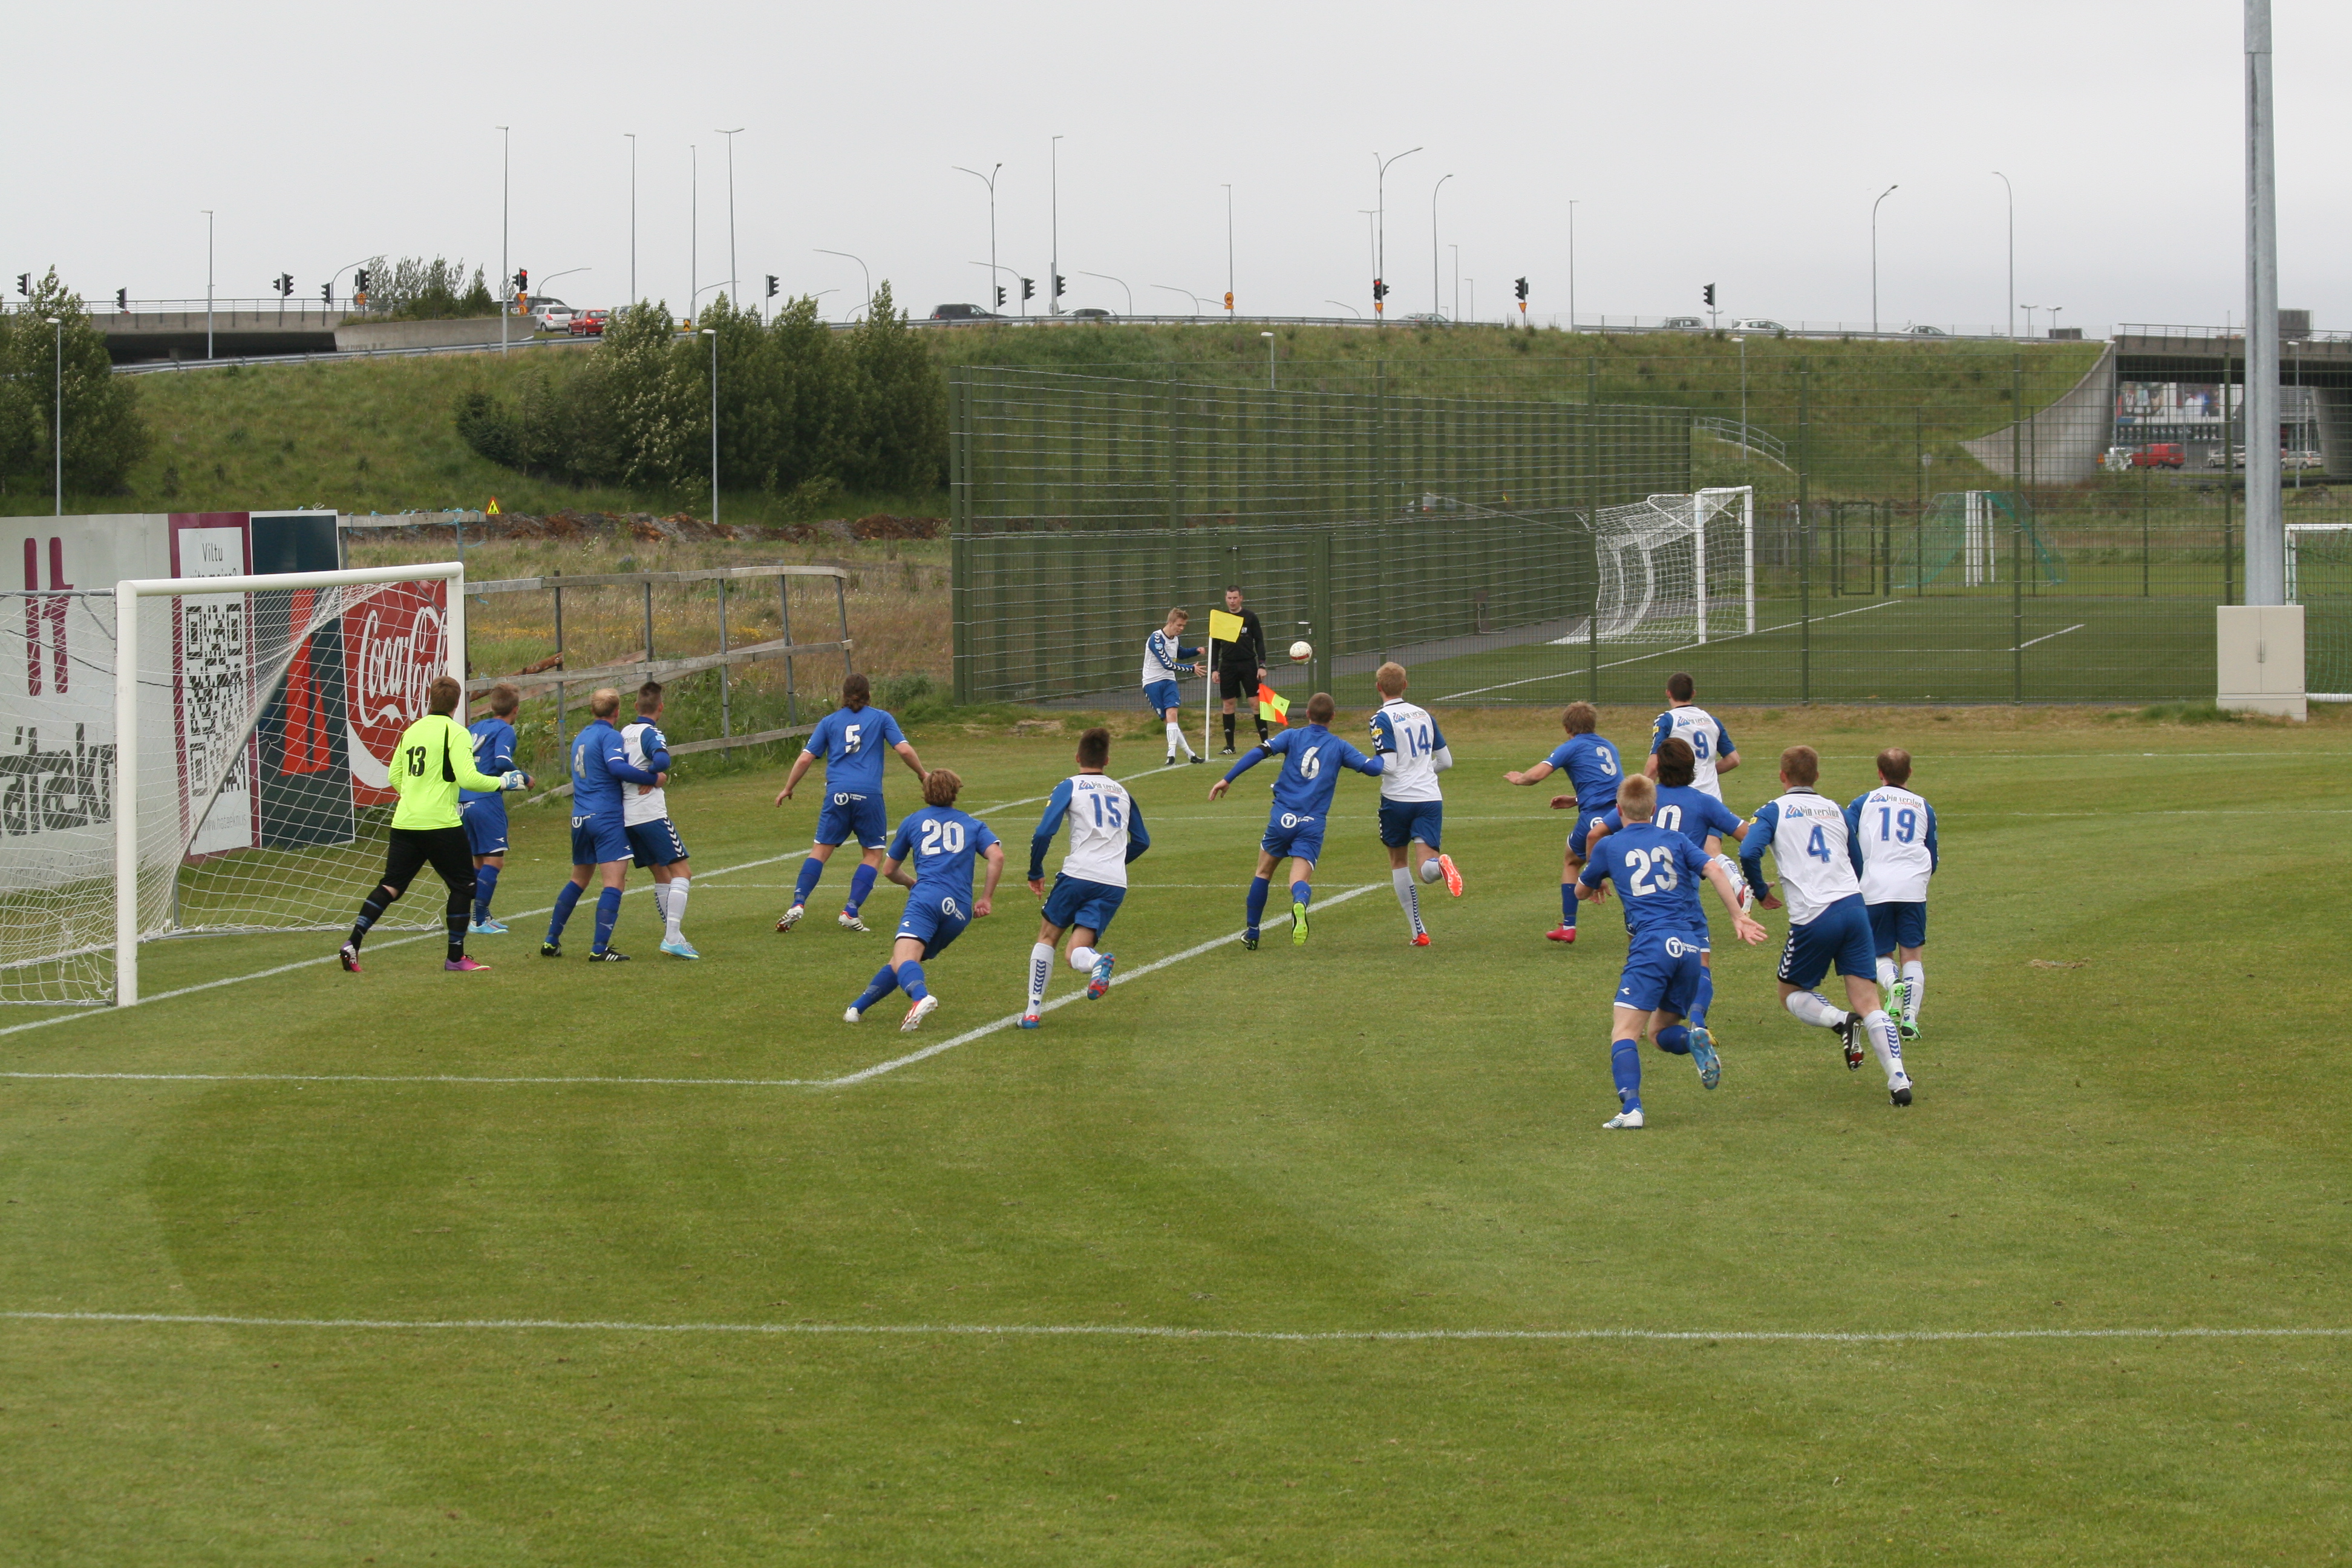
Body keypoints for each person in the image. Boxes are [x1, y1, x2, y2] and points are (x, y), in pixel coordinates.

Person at [1576, 775, 1767, 1129]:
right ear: (1654, 809)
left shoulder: (1609, 846)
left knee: (1624, 1032)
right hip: (1690, 945)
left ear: (1619, 809)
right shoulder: (1677, 840)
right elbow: (1713, 868)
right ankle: (1692, 1038)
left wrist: (1596, 880)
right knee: (1658, 1033)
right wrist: (1737, 916)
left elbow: (1580, 892)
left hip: (1651, 944)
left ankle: (1632, 1109)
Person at [1740, 745, 1915, 1108]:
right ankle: (1899, 1079)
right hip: (1854, 908)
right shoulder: (1836, 809)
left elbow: (1748, 851)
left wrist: (1761, 891)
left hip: (1814, 915)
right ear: (1817, 776)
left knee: (1790, 993)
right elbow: (1857, 860)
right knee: (1869, 1000)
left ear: (1782, 776)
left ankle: (1840, 1020)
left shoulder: (1773, 811)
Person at [339, 675, 529, 974]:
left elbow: (394, 776)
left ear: (430, 700)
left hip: (406, 821)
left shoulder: (412, 731)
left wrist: (415, 795)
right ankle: (456, 957)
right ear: (457, 703)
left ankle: (353, 942)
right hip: (440, 822)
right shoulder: (455, 732)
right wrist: (503, 782)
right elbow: (468, 779)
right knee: (464, 885)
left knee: (391, 885)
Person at [1585, 737, 1749, 1051]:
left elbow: (1595, 833)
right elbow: (1746, 835)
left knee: (1645, 956)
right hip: (1683, 903)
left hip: (1639, 899)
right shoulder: (1703, 802)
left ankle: (1638, 1014)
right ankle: (1697, 1023)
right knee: (1699, 965)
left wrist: (1596, 874)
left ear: (1658, 768)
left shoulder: (1643, 797)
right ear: (1693, 768)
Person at [1208, 691, 1384, 949]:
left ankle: (1253, 932)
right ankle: (1300, 901)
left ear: (1308, 714)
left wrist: (1227, 779)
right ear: (1333, 717)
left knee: (1263, 872)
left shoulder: (1292, 736)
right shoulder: (1339, 746)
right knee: (1299, 881)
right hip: (1312, 823)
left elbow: (1258, 753)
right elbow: (1374, 769)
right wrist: (1383, 751)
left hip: (1283, 818)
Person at [844, 769, 1005, 1031]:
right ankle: (856, 1009)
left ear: (925, 792)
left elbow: (889, 870)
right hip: (960, 912)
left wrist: (911, 883)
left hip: (927, 898)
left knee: (906, 957)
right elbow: (997, 856)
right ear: (955, 793)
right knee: (904, 960)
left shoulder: (913, 821)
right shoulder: (973, 824)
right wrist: (986, 898)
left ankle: (921, 997)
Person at [775, 673, 929, 934]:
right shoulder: (881, 718)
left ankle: (798, 902)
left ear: (843, 695)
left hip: (837, 794)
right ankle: (851, 910)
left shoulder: (829, 722)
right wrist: (922, 774)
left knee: (820, 851)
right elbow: (903, 749)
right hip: (868, 794)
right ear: (869, 694)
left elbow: (805, 758)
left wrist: (788, 788)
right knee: (873, 854)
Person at [1018, 727, 1151, 1027]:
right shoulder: (1123, 792)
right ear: (1108, 760)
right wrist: (1114, 862)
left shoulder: (1071, 785)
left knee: (1048, 937)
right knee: (1075, 951)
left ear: (1077, 757)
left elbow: (1044, 832)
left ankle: (1032, 1012)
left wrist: (1035, 871)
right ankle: (1096, 962)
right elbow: (1142, 841)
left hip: (1078, 874)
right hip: (1113, 883)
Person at [542, 687, 661, 962]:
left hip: (580, 817)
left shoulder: (581, 737)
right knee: (614, 882)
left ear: (592, 710)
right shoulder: (610, 736)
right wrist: (652, 778)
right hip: (605, 816)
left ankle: (551, 941)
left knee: (578, 879)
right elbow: (616, 767)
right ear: (617, 711)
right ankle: (599, 948)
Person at [1504, 701, 1622, 944]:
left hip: (1595, 817)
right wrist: (1576, 800)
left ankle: (1569, 926)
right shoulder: (1609, 746)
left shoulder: (1572, 746)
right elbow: (1606, 786)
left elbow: (1537, 775)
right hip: (1621, 814)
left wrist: (1518, 779)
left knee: (1571, 861)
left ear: (1567, 728)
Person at [1845, 746, 1937, 1043]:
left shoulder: (1863, 803)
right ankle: (1910, 1021)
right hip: (1912, 887)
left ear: (1880, 773)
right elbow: (1932, 855)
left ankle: (1892, 983)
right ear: (1910, 772)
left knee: (1878, 952)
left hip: (1875, 887)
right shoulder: (1923, 806)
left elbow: (1845, 837)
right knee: (1912, 955)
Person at [1367, 661, 1460, 946]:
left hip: (1397, 799)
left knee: (1399, 862)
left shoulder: (1381, 718)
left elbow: (1389, 765)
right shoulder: (1425, 715)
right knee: (1425, 869)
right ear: (1405, 685)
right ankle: (1440, 865)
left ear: (1378, 687)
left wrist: (1363, 764)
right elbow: (1446, 761)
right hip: (1429, 798)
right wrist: (1424, 773)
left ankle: (1418, 931)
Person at [621, 680, 696, 959]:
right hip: (650, 814)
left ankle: (674, 935)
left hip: (627, 817)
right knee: (682, 873)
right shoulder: (651, 732)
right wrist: (653, 775)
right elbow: (663, 761)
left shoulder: (623, 732)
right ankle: (672, 938)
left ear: (635, 706)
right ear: (661, 708)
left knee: (661, 875)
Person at [460, 682, 520, 935]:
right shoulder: (505, 730)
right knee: (495, 860)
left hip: (463, 799)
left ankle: (481, 914)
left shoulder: (473, 728)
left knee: (479, 859)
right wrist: (524, 777)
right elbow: (502, 761)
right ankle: (478, 920)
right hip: (485, 798)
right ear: (515, 709)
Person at [1644, 671, 1740, 801]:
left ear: (1668, 693)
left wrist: (1641, 795)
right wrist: (1707, 772)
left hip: (1683, 798)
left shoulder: (1668, 720)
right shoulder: (1712, 720)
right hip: (1713, 799)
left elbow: (1653, 766)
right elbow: (1733, 760)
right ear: (1693, 694)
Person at [1140, 606, 1205, 766]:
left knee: (1173, 715)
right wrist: (1191, 669)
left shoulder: (1175, 639)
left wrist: (1196, 651)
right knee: (1168, 722)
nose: (1181, 629)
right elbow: (1167, 664)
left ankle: (1171, 755)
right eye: (1179, 625)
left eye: (1184, 626)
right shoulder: (1156, 639)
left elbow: (1180, 653)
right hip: (1152, 682)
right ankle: (1190, 754)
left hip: (1169, 681)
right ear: (1170, 623)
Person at [1212, 585, 1269, 755]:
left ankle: (1266, 745)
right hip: (1228, 666)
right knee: (1228, 704)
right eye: (1229, 598)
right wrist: (1214, 669)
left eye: (1235, 598)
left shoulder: (1250, 617)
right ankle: (1230, 746)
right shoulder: (1222, 618)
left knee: (1255, 703)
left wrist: (1262, 665)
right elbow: (1215, 645)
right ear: (1226, 599)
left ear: (1241, 598)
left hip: (1248, 664)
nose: (1232, 601)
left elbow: (1259, 641)